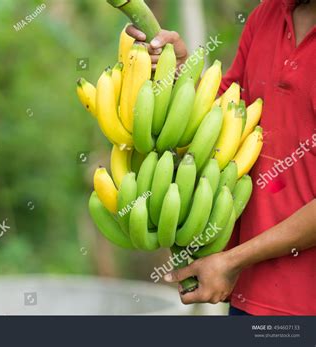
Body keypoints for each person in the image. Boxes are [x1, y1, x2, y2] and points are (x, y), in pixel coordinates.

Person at [127, 0, 315, 315]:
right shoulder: (267, 15)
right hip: (248, 296)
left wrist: (231, 260)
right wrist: (181, 70)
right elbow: (221, 117)